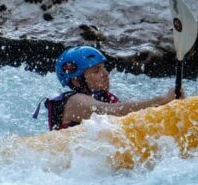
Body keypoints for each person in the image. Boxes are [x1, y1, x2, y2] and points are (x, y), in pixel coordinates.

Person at [34, 46, 182, 130]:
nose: (105, 74)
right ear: (77, 82)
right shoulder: (75, 101)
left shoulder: (103, 98)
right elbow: (115, 112)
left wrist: (171, 105)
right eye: (96, 71)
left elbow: (134, 116)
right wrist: (162, 100)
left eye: (104, 68)